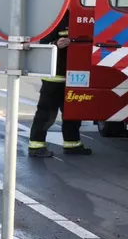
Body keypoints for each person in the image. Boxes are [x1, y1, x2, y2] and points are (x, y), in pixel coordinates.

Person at [28, 11, 92, 158]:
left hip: (75, 75)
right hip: (55, 76)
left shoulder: (79, 17)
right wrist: (56, 44)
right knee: (46, 114)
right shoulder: (54, 18)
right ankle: (36, 146)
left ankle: (72, 144)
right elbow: (43, 45)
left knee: (73, 112)